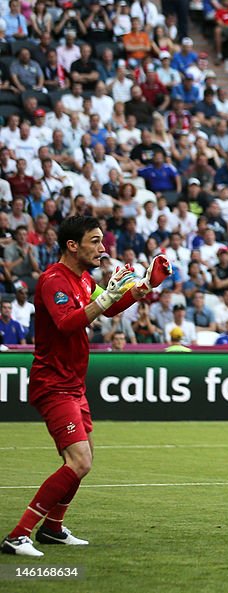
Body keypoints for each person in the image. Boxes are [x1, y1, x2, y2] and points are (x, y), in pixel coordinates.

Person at [2, 216, 169, 557]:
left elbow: (106, 311)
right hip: (53, 383)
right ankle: (18, 535)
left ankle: (52, 528)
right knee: (79, 462)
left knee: (85, 458)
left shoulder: (82, 279)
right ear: (72, 245)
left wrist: (142, 289)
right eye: (95, 240)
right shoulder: (53, 281)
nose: (102, 247)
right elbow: (66, 324)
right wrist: (107, 296)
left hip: (73, 383)